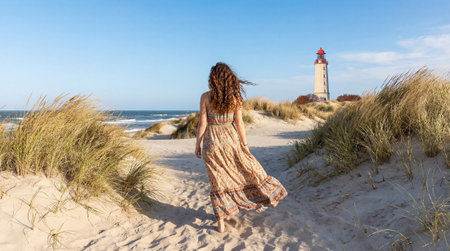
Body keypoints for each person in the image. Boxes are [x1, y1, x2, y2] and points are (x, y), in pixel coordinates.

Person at [194, 62, 288, 233]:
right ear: (229, 78)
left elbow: (202, 124)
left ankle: (221, 223)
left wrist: (197, 145)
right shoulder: (235, 98)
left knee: (217, 181)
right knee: (239, 174)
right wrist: (244, 144)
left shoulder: (205, 97)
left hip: (211, 142)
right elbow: (240, 124)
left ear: (212, 79)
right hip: (231, 141)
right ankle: (239, 204)